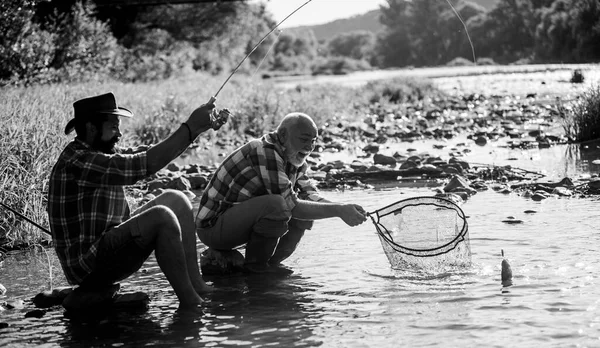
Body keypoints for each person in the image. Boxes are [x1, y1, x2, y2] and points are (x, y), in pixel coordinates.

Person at [47, 92, 230, 313]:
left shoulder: (97, 152)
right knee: (162, 217)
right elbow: (144, 164)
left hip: (108, 247)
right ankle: (191, 305)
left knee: (178, 200)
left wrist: (197, 130)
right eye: (114, 127)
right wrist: (190, 127)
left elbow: (143, 154)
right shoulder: (80, 160)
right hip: (89, 266)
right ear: (92, 128)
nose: (120, 133)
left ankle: (198, 286)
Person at [195, 112, 368, 274]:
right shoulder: (265, 151)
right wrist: (339, 211)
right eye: (304, 139)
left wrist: (344, 208)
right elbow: (291, 206)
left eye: (313, 141)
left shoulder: (294, 157)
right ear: (283, 135)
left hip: (239, 222)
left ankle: (270, 264)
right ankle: (256, 269)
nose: (309, 147)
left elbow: (310, 195)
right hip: (213, 227)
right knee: (277, 205)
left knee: (305, 212)